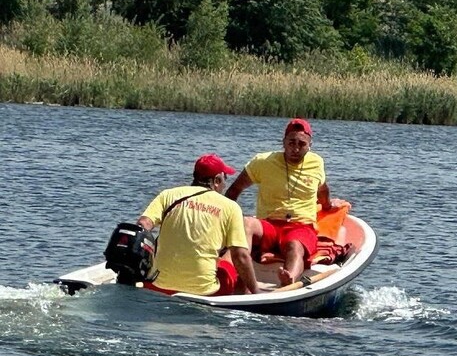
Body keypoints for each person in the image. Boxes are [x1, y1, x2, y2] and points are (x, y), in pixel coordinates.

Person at [225, 118, 339, 286]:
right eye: (291, 143)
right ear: (283, 142)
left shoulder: (316, 162)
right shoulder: (263, 162)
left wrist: (328, 205)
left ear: (310, 145)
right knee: (247, 223)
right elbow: (234, 191)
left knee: (295, 246)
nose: (296, 149)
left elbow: (322, 189)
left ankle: (289, 278)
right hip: (269, 224)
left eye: (302, 144)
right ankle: (232, 273)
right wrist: (225, 223)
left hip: (300, 226)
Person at [136, 154, 261, 296]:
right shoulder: (230, 207)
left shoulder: (168, 195)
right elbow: (240, 257)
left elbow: (143, 224)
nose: (225, 184)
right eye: (225, 178)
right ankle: (244, 294)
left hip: (158, 286)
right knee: (230, 256)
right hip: (205, 292)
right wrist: (257, 292)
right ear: (217, 180)